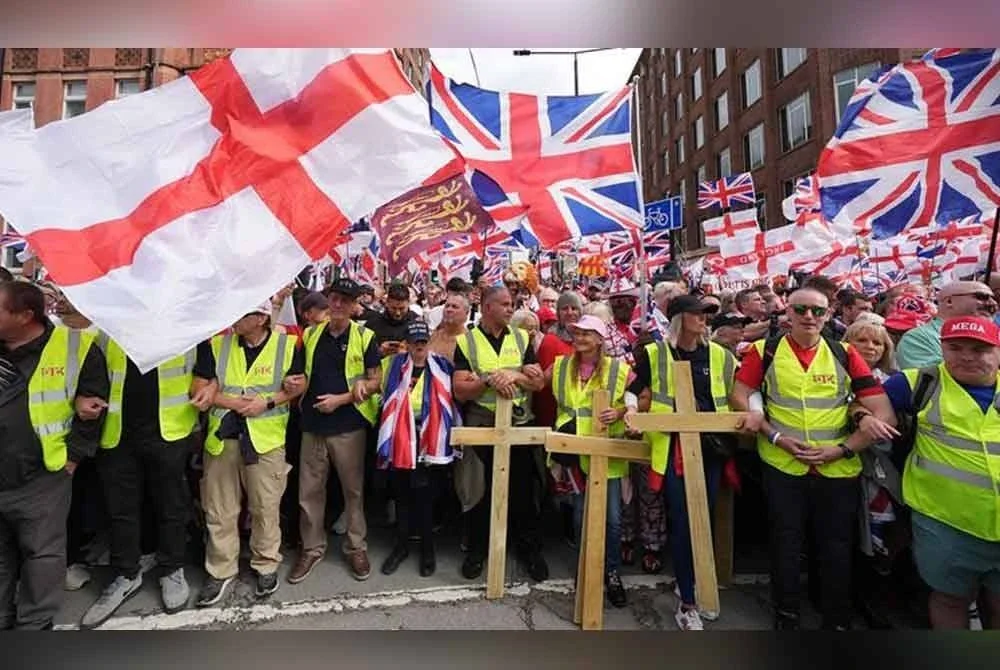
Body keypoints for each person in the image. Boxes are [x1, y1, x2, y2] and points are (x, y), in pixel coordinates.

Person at [729, 287, 898, 630]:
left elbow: (884, 413)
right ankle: (786, 612)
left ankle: (835, 616)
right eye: (801, 309)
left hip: (837, 467)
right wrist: (773, 435)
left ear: (828, 315)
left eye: (818, 311)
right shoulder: (765, 350)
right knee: (785, 542)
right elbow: (740, 394)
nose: (809, 316)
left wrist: (844, 448)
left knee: (836, 545)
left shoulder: (845, 353)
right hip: (782, 463)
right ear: (787, 313)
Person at [0, 281, 109, 630]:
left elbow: (95, 410)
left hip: (42, 476)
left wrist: (72, 458)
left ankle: (34, 624)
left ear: (24, 316)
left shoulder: (76, 347)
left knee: (41, 553)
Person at [627, 294, 737, 630]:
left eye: (707, 314)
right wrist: (631, 411)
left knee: (703, 517)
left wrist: (754, 412)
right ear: (679, 318)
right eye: (697, 313)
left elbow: (739, 391)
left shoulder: (721, 355)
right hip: (672, 448)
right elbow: (634, 388)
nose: (704, 319)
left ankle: (694, 582)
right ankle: (688, 601)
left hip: (711, 448)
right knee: (681, 518)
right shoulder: (654, 353)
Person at [882, 316, 1000, 629]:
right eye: (955, 348)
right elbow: (862, 402)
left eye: (979, 349)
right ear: (942, 349)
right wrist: (863, 417)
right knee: (950, 598)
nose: (967, 356)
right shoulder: (917, 382)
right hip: (945, 523)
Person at [79, 332, 203, 628]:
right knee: (120, 510)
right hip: (117, 432)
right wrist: (83, 397)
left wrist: (208, 386)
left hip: (169, 431)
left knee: (171, 506)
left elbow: (206, 371)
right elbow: (85, 376)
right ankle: (126, 573)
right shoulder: (106, 330)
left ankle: (172, 568)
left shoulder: (186, 327)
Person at [189, 301, 303, 606]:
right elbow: (198, 389)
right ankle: (220, 570)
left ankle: (266, 564)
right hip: (222, 439)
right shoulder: (216, 344)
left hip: (266, 441)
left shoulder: (286, 345)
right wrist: (237, 403)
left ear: (261, 318)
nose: (234, 318)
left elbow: (297, 386)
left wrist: (267, 402)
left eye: (242, 313)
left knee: (266, 507)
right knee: (219, 509)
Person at [289, 277, 381, 583]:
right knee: (309, 492)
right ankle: (311, 548)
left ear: (355, 306)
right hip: (313, 425)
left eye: (345, 300)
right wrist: (293, 383)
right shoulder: (310, 334)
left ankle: (356, 547)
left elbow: (375, 381)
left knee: (352, 491)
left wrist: (342, 399)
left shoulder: (365, 336)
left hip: (349, 426)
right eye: (334, 298)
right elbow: (301, 373)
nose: (338, 304)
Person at [453, 286, 547, 581]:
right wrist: (488, 380)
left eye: (512, 304)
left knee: (522, 491)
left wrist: (514, 375)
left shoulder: (521, 338)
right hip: (482, 426)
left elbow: (538, 383)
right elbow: (460, 390)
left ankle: (529, 549)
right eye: (505, 304)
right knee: (479, 492)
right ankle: (477, 550)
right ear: (487, 307)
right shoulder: (466, 342)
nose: (511, 309)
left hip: (518, 425)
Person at [355, 320, 461, 577]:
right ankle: (401, 547)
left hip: (431, 440)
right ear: (407, 344)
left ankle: (427, 549)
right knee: (402, 495)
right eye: (414, 342)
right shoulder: (392, 365)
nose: (419, 346)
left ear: (429, 342)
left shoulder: (444, 366)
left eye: (423, 341)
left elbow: (458, 396)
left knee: (426, 497)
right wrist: (361, 384)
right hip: (400, 439)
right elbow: (373, 381)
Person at [548, 315, 635, 608]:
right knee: (580, 515)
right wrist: (514, 375)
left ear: (599, 339)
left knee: (612, 519)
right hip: (574, 451)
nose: (580, 338)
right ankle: (586, 569)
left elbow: (643, 395)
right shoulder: (562, 365)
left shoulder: (618, 369)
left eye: (586, 334)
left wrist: (622, 412)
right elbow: (537, 380)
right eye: (576, 333)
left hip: (606, 452)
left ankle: (611, 573)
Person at [896, 281, 996, 369]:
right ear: (949, 301)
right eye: (982, 297)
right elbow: (932, 378)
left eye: (993, 298)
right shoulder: (918, 338)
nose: (992, 303)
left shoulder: (996, 334)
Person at [428, 293, 471, 363]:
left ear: (466, 313)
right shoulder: (435, 335)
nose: (449, 309)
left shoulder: (470, 341)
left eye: (455, 307)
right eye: (447, 306)